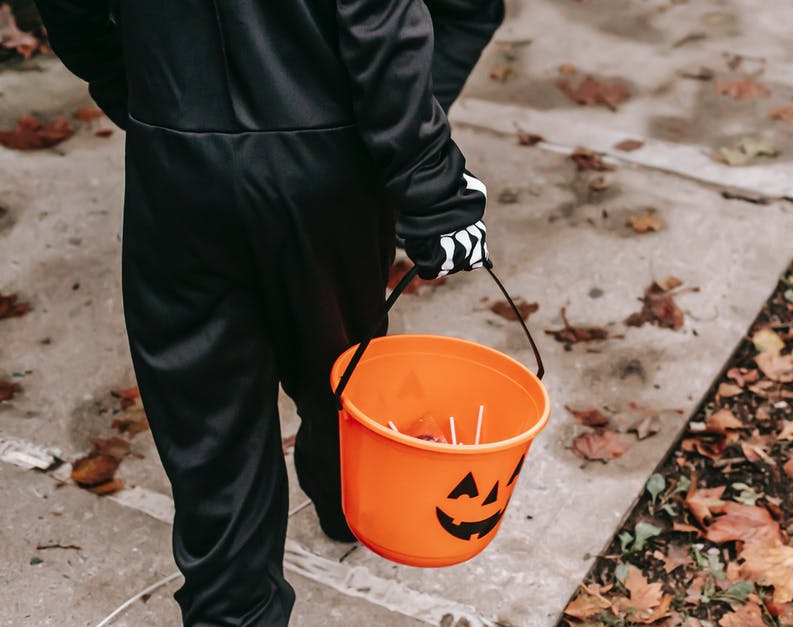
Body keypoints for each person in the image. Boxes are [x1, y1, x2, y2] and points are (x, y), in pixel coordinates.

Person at [33, 0, 505, 623]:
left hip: (176, 159)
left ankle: (238, 606)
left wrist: (144, 100)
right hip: (323, 168)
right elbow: (380, 21)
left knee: (211, 431)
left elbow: (71, 9)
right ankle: (347, 499)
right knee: (338, 369)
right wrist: (429, 181)